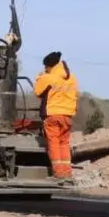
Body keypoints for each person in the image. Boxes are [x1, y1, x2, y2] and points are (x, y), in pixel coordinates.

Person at [34, 51, 78, 184]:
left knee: (53, 142)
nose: (44, 69)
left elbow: (37, 92)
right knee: (64, 143)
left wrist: (39, 77)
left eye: (45, 67)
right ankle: (67, 172)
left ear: (49, 66)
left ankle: (58, 173)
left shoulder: (49, 77)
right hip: (68, 115)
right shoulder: (72, 78)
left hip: (53, 114)